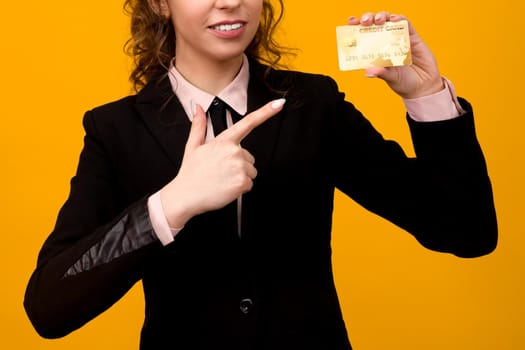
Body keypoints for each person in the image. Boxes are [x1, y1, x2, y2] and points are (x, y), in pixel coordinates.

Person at [23, 0, 498, 349]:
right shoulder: (115, 129)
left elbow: (466, 231)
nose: (229, 1)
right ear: (158, 4)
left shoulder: (313, 105)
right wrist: (170, 206)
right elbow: (49, 306)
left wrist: (427, 96)